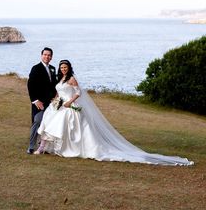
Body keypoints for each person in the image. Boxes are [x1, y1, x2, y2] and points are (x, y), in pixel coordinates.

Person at [33, 59, 193, 166]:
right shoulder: (60, 79)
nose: (63, 69)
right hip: (59, 105)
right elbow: (58, 91)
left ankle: (68, 149)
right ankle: (46, 148)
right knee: (50, 123)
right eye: (61, 67)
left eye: (65, 67)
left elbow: (78, 92)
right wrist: (56, 100)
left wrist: (69, 101)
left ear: (69, 68)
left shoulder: (72, 79)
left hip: (69, 105)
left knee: (64, 126)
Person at [26, 47, 57, 154]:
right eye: (45, 54)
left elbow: (54, 85)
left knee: (49, 123)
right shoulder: (36, 68)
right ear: (41, 55)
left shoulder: (53, 69)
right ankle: (31, 146)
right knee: (37, 121)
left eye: (49, 55)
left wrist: (55, 97)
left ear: (51, 57)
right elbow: (30, 85)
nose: (47, 56)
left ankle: (44, 145)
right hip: (40, 102)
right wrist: (35, 100)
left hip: (52, 102)